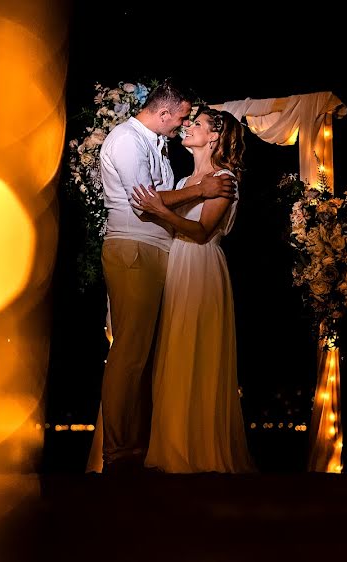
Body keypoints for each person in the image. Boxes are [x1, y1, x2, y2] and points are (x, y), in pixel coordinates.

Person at [97, 81, 237, 474]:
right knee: (129, 353)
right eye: (179, 119)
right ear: (162, 114)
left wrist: (199, 190)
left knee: (148, 357)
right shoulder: (127, 140)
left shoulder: (155, 145)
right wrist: (202, 189)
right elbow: (145, 205)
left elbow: (162, 204)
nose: (181, 126)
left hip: (164, 256)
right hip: (135, 248)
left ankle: (143, 446)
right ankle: (118, 452)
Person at [131, 107, 255, 473]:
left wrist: (161, 209)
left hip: (201, 264)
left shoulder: (225, 178)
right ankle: (169, 444)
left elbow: (201, 231)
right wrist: (159, 204)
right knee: (172, 347)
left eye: (196, 124)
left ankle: (198, 448)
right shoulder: (186, 180)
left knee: (195, 347)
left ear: (214, 136)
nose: (188, 127)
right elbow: (156, 205)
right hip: (177, 263)